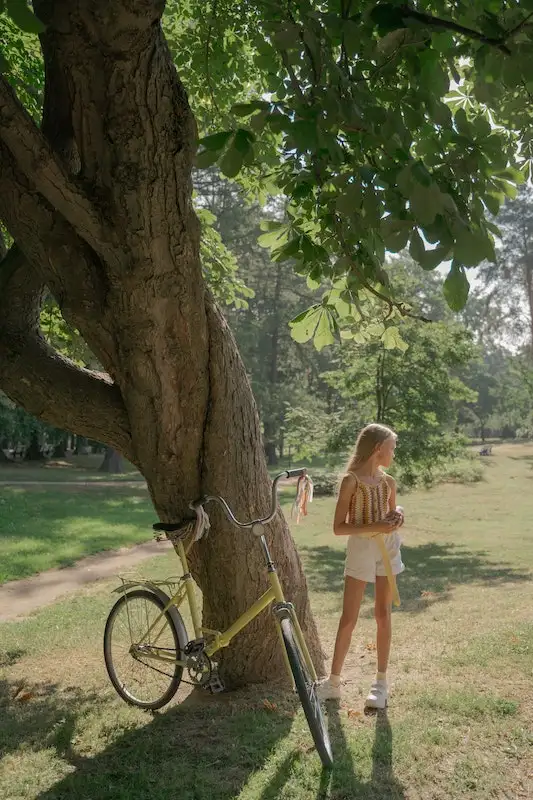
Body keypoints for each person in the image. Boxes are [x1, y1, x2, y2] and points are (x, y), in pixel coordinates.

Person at [318, 423, 405, 708]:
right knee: (349, 618)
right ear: (378, 448)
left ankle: (381, 683)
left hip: (386, 549)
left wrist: (397, 517)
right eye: (392, 447)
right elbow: (338, 528)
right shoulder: (351, 481)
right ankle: (333, 683)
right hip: (361, 549)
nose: (394, 452)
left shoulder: (388, 482)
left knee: (383, 614)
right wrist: (376, 524)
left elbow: (391, 514)